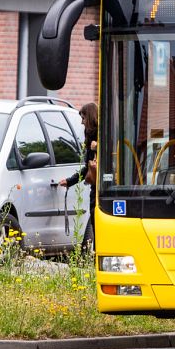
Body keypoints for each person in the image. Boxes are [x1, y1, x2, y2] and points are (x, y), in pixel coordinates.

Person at [56, 102, 98, 251]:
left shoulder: (100, 135)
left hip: (102, 187)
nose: (82, 122)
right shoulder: (90, 137)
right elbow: (87, 167)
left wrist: (97, 147)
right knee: (95, 222)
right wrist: (70, 181)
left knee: (97, 221)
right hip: (95, 186)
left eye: (84, 118)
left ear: (91, 117)